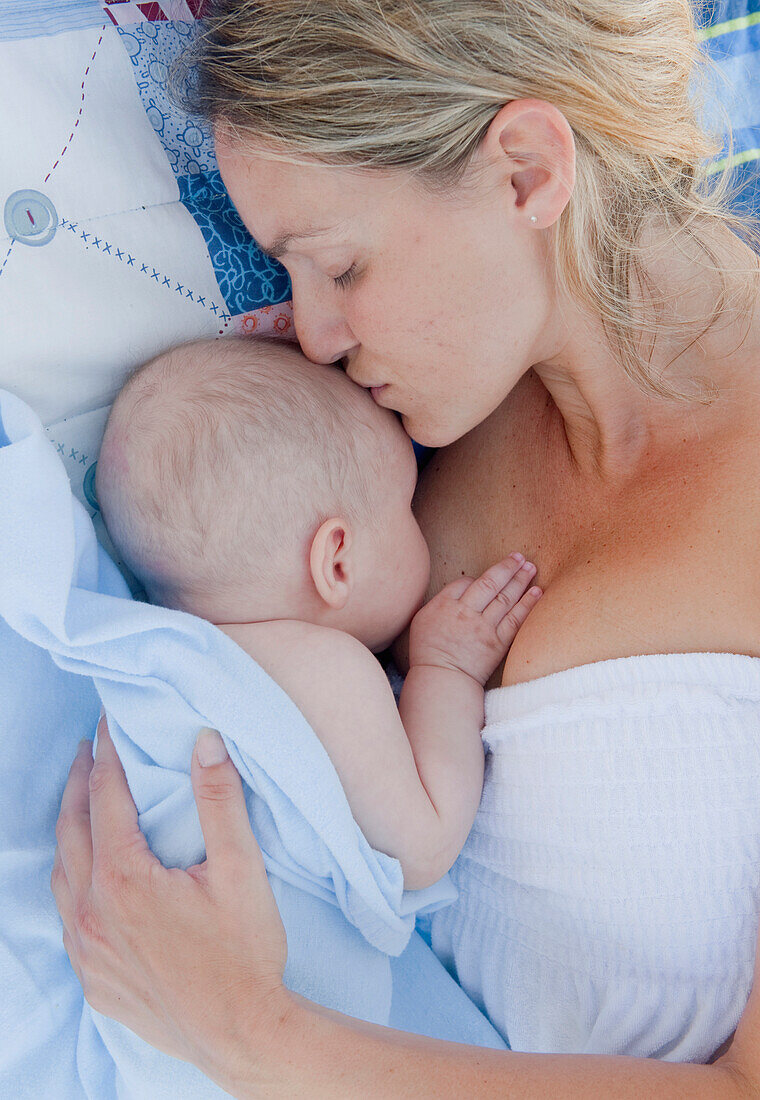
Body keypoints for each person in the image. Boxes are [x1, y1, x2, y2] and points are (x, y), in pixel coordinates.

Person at [52, 0, 760, 1090]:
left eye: (337, 267)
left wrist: (253, 1030)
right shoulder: (402, 444)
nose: (313, 335)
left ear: (525, 171)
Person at [95, 335, 540, 891]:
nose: (422, 518)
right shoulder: (326, 672)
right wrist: (447, 670)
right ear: (336, 563)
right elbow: (423, 850)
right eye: (405, 504)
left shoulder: (166, 654)